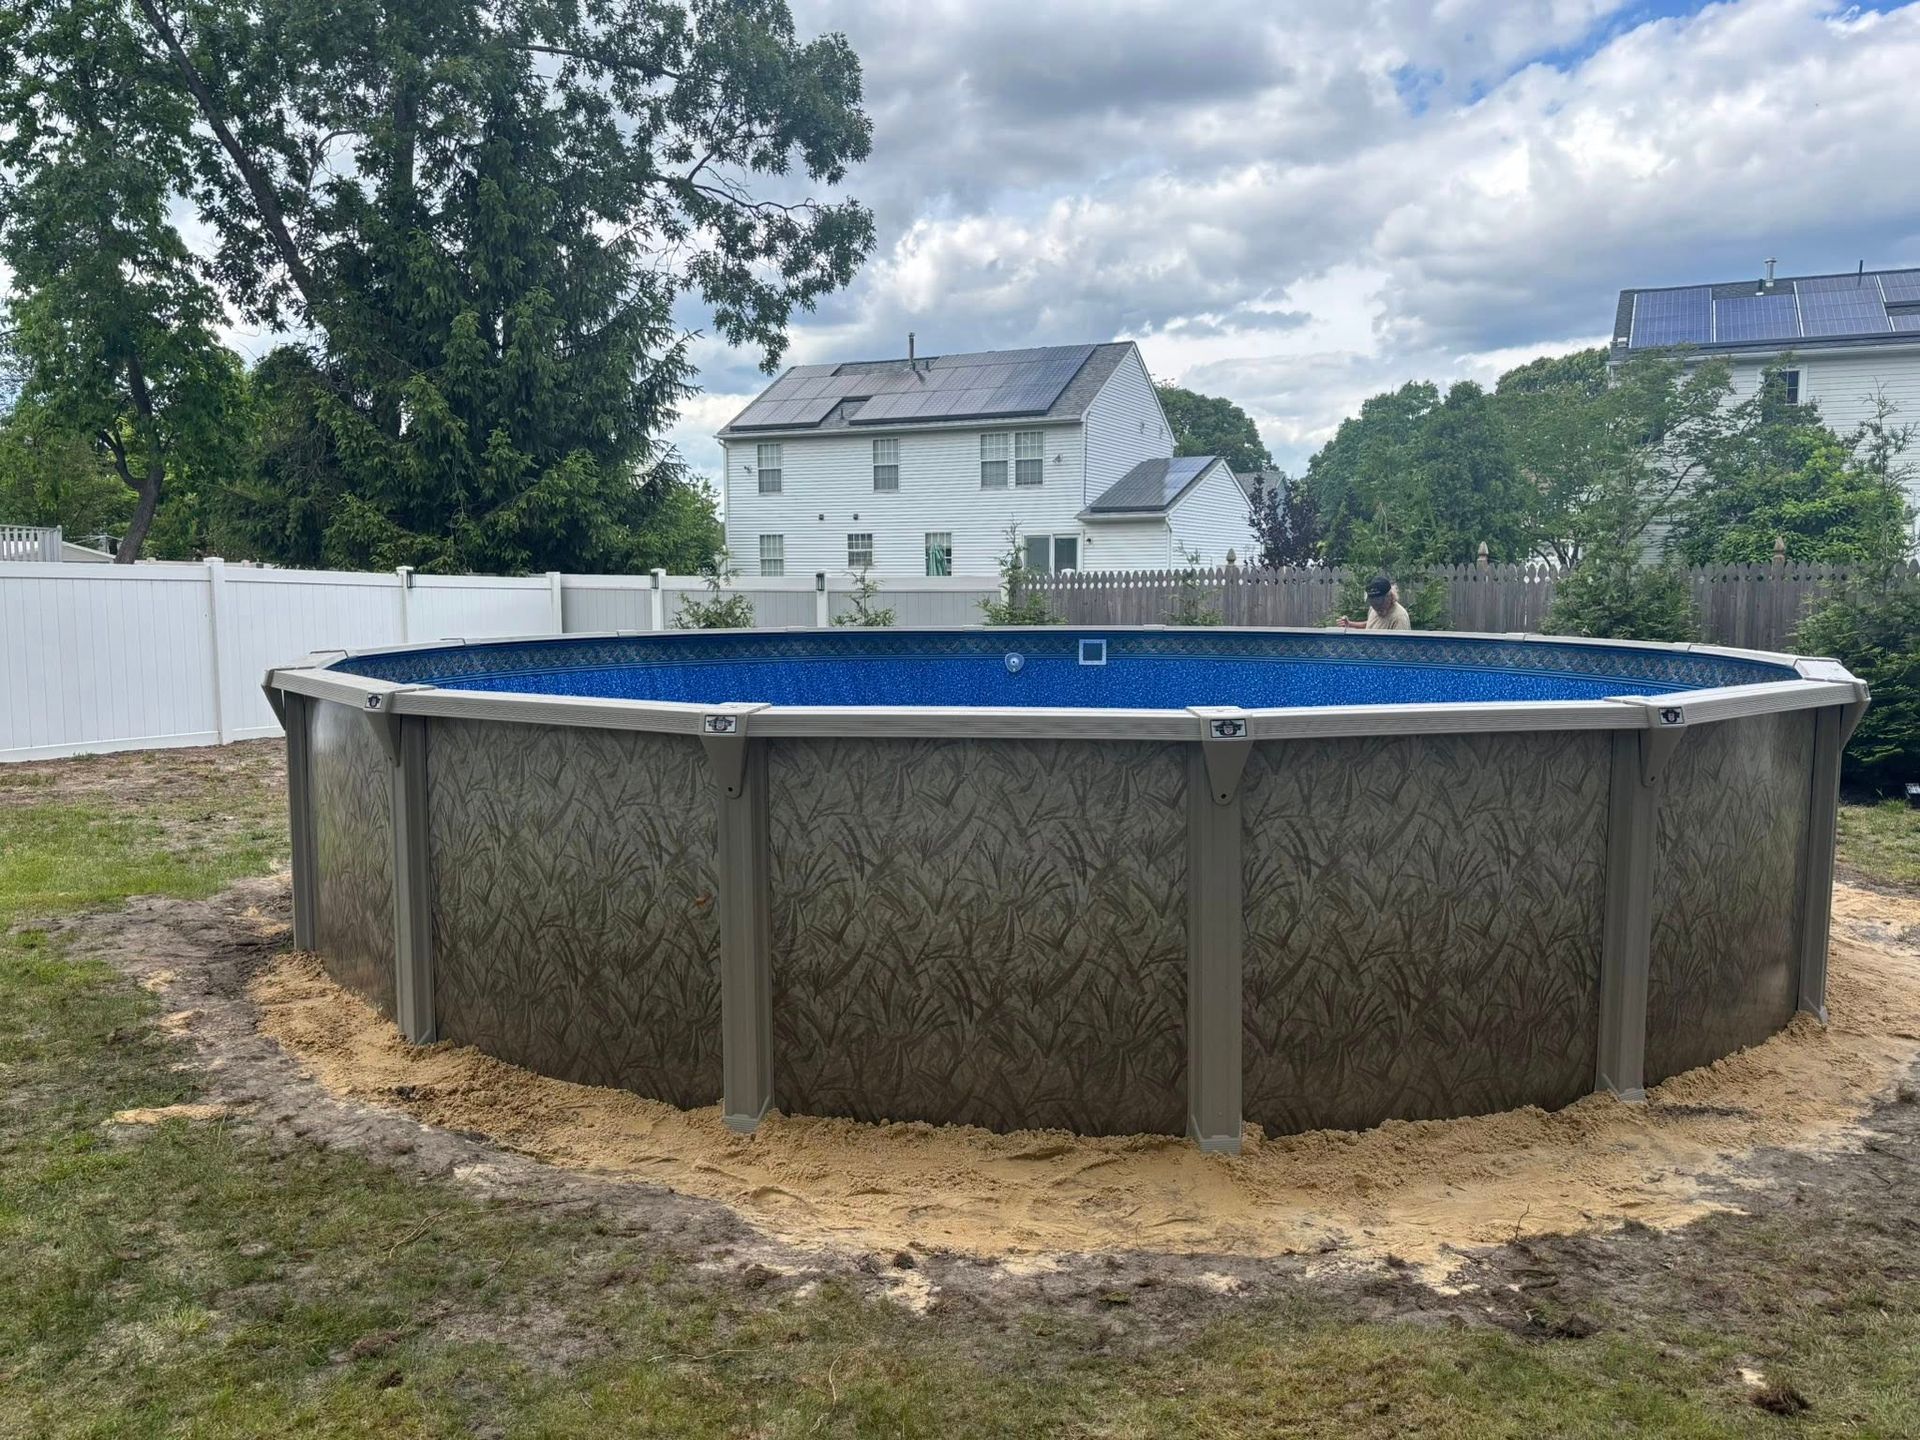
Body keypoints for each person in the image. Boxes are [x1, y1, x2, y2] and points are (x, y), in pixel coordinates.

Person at [1338, 574, 1412, 631]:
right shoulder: (1374, 610)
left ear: (1390, 597)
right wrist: (1350, 624)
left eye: (1379, 603)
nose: (1377, 608)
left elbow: (1400, 648)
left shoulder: (1399, 618)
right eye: (1373, 603)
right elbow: (1372, 625)